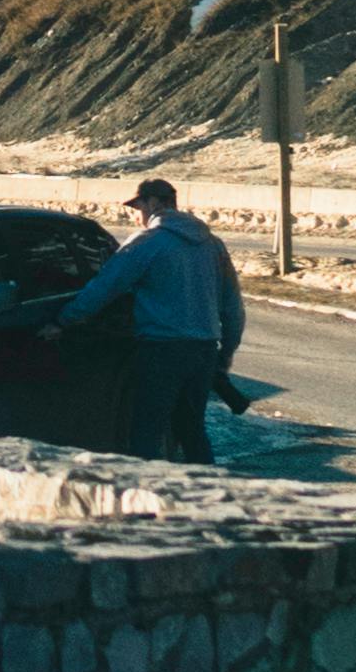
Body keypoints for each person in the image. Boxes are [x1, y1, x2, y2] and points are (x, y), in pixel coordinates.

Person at [66, 170, 246, 459]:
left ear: (153, 203)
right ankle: (206, 483)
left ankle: (146, 484)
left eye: (138, 208)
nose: (138, 216)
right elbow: (232, 306)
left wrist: (66, 318)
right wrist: (225, 354)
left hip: (161, 350)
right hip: (203, 351)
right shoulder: (213, 245)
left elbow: (105, 286)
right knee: (192, 430)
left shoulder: (147, 242)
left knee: (147, 430)